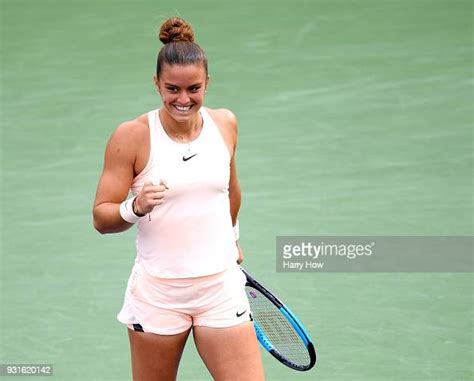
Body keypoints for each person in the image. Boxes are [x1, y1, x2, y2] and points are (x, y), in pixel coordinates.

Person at [92, 17, 265, 381]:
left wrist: (233, 237)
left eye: (193, 89)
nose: (183, 99)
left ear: (207, 83)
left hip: (219, 287)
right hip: (158, 294)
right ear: (156, 83)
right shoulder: (132, 136)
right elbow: (101, 218)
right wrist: (134, 207)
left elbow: (230, 190)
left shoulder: (225, 125)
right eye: (172, 89)